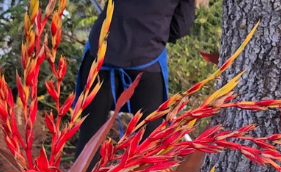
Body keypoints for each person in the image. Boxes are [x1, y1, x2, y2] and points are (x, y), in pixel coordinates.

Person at [72, 0, 203, 155]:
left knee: (89, 138)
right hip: (146, 58)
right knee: (148, 142)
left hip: (103, 52)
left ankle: (84, 171)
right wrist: (150, 33)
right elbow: (180, 27)